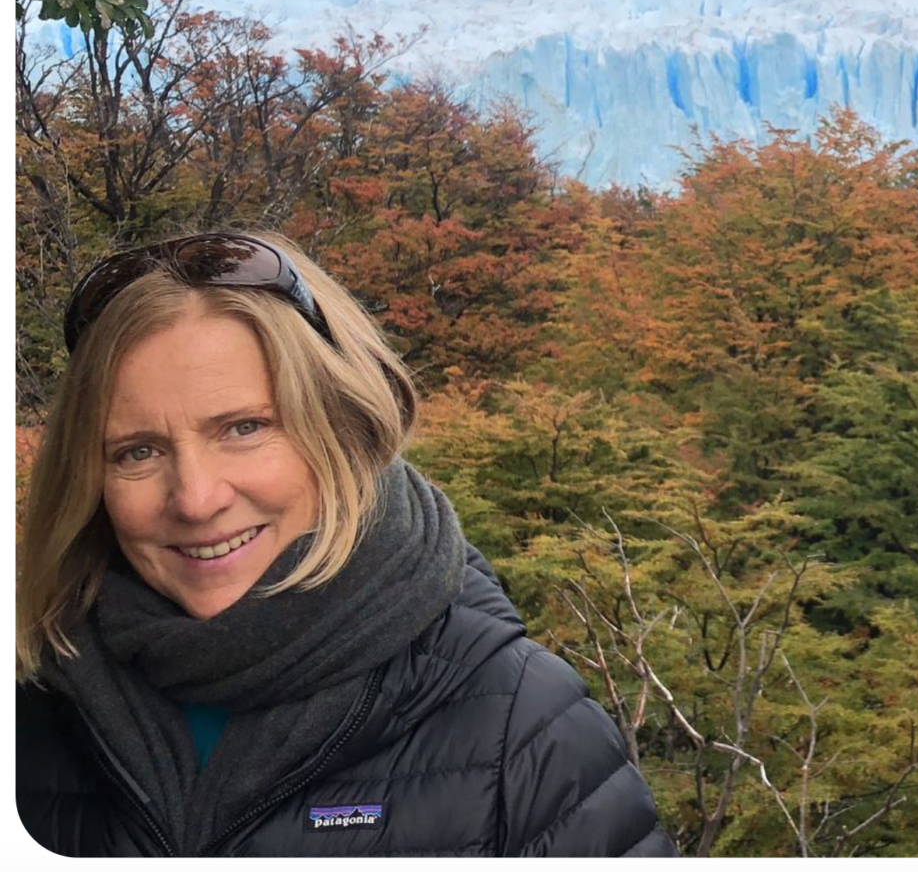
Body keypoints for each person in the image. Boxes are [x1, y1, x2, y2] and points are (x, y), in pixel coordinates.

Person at [16, 231, 677, 858]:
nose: (194, 498)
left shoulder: (524, 726)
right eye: (137, 451)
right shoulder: (36, 702)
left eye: (244, 428)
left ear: (343, 430)